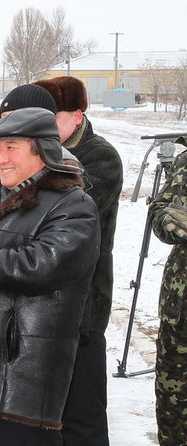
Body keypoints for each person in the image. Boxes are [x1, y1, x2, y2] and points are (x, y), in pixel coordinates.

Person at [0, 107, 99, 446]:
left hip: (25, 372)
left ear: (43, 151)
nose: (0, 159)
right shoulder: (0, 200)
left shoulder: (72, 204)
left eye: (11, 147)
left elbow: (43, 265)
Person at [34, 76, 123, 446]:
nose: (46, 125)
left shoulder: (100, 156)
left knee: (82, 411)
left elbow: (62, 210)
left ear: (77, 115)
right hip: (44, 299)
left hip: (85, 303)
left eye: (53, 117)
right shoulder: (38, 151)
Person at [147, 138, 187, 446]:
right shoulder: (184, 161)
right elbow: (160, 208)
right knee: (173, 406)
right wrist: (168, 223)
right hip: (180, 309)